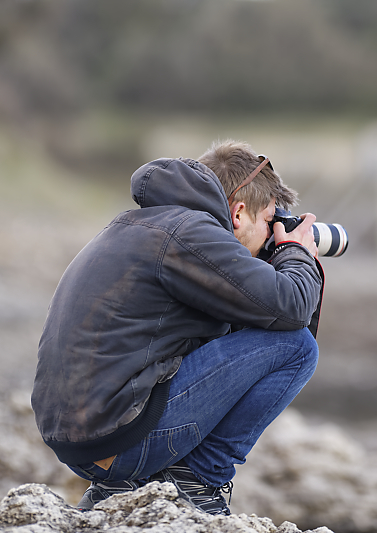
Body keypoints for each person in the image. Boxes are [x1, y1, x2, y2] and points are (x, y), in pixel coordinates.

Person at [31, 140, 324, 515]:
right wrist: (296, 252)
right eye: (269, 221)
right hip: (120, 441)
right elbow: (293, 306)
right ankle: (198, 479)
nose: (272, 235)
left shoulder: (144, 227)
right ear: (237, 214)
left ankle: (118, 490)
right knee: (296, 347)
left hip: (84, 443)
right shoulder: (189, 235)